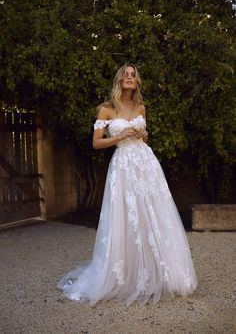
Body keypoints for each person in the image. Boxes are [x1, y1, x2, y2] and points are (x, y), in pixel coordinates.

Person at [57, 63, 198, 306]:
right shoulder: (107, 109)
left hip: (147, 165)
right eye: (127, 74)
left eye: (134, 75)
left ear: (137, 82)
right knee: (126, 216)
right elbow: (96, 143)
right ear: (120, 79)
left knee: (152, 214)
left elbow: (145, 135)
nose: (130, 78)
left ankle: (157, 271)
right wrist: (120, 136)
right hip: (123, 167)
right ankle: (126, 274)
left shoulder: (141, 106)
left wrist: (143, 135)